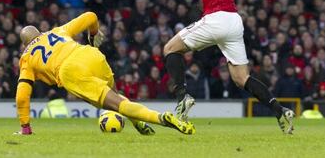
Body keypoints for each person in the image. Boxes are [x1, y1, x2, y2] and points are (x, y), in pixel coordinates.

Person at [160, 0, 294, 134]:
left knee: (170, 48)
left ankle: (182, 97)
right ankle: (280, 111)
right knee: (241, 78)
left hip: (217, 19)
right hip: (233, 22)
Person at [14, 11, 195, 135]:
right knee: (116, 97)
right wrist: (93, 34)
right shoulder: (57, 32)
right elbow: (90, 16)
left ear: (25, 44)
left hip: (70, 70)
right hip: (89, 53)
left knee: (114, 104)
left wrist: (25, 127)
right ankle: (137, 120)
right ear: (39, 32)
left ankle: (161, 118)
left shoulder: (27, 58)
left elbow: (22, 96)